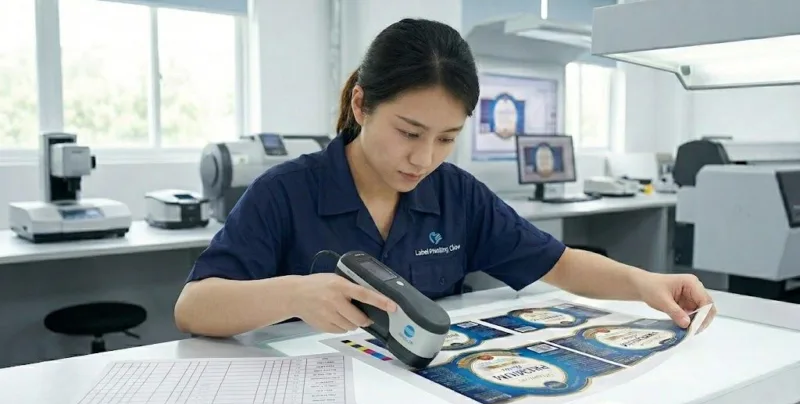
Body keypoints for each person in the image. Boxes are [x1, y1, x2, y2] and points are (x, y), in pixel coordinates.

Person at [174, 18, 716, 338]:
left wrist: (646, 283)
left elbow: (561, 263)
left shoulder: (455, 194)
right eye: (409, 132)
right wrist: (292, 294)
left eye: (446, 137)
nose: (424, 158)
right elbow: (193, 308)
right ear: (361, 105)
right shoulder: (287, 191)